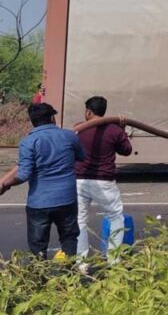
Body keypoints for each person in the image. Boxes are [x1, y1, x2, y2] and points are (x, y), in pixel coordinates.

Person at [0, 103, 84, 258]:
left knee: (38, 245)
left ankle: (40, 279)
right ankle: (70, 278)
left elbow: (23, 174)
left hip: (39, 203)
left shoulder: (28, 142)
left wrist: (5, 184)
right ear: (52, 117)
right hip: (67, 199)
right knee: (69, 239)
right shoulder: (70, 136)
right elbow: (81, 156)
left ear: (32, 121)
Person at [75, 96, 132, 261]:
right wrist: (122, 129)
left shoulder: (79, 129)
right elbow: (126, 150)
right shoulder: (114, 130)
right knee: (115, 217)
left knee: (80, 220)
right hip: (104, 181)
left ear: (88, 111)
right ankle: (113, 260)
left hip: (80, 180)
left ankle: (81, 262)